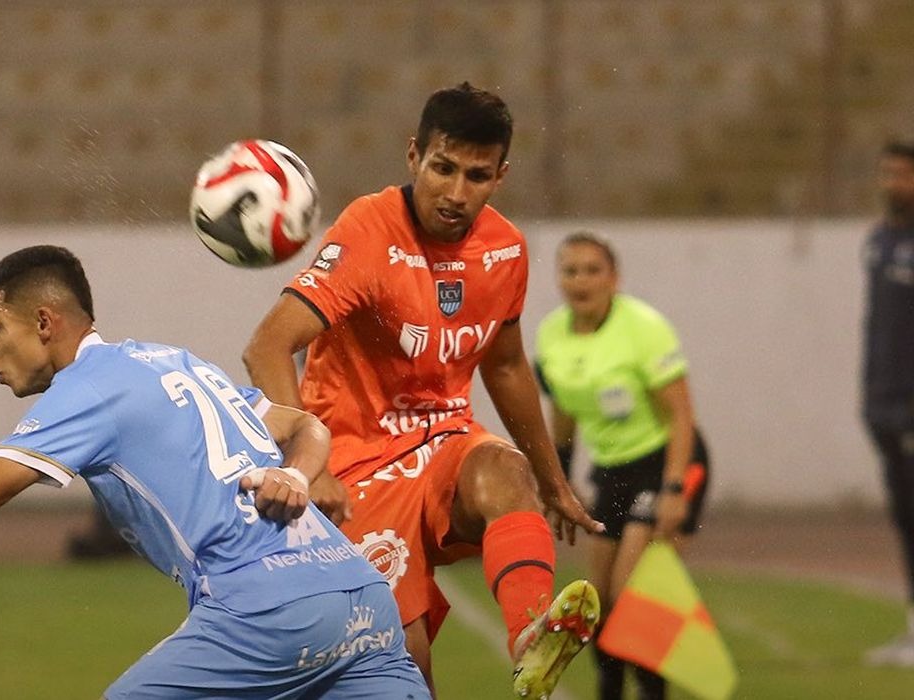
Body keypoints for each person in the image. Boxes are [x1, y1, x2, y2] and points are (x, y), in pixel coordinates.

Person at [0, 245, 430, 700]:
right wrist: (299, 477)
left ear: (44, 322)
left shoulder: (88, 387)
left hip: (264, 614)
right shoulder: (173, 360)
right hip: (361, 600)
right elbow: (309, 426)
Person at [243, 82, 604, 697]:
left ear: (500, 177)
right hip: (354, 464)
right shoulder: (368, 229)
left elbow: (509, 367)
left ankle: (531, 637)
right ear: (414, 155)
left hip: (442, 441)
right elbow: (267, 347)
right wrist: (307, 465)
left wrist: (552, 479)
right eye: (443, 168)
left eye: (477, 176)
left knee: (504, 472)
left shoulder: (505, 250)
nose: (456, 193)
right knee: (402, 661)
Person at [534, 232, 710, 700]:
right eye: (570, 270)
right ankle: (609, 689)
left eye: (593, 270)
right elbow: (564, 417)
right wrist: (559, 481)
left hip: (666, 462)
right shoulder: (552, 335)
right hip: (612, 470)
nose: (580, 280)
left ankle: (653, 693)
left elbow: (681, 416)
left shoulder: (643, 328)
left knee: (632, 596)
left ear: (614, 278)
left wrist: (674, 490)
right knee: (599, 601)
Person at [862, 139, 914, 668]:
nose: (892, 183)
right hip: (883, 405)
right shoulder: (879, 240)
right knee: (905, 517)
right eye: (887, 173)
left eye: (902, 174)